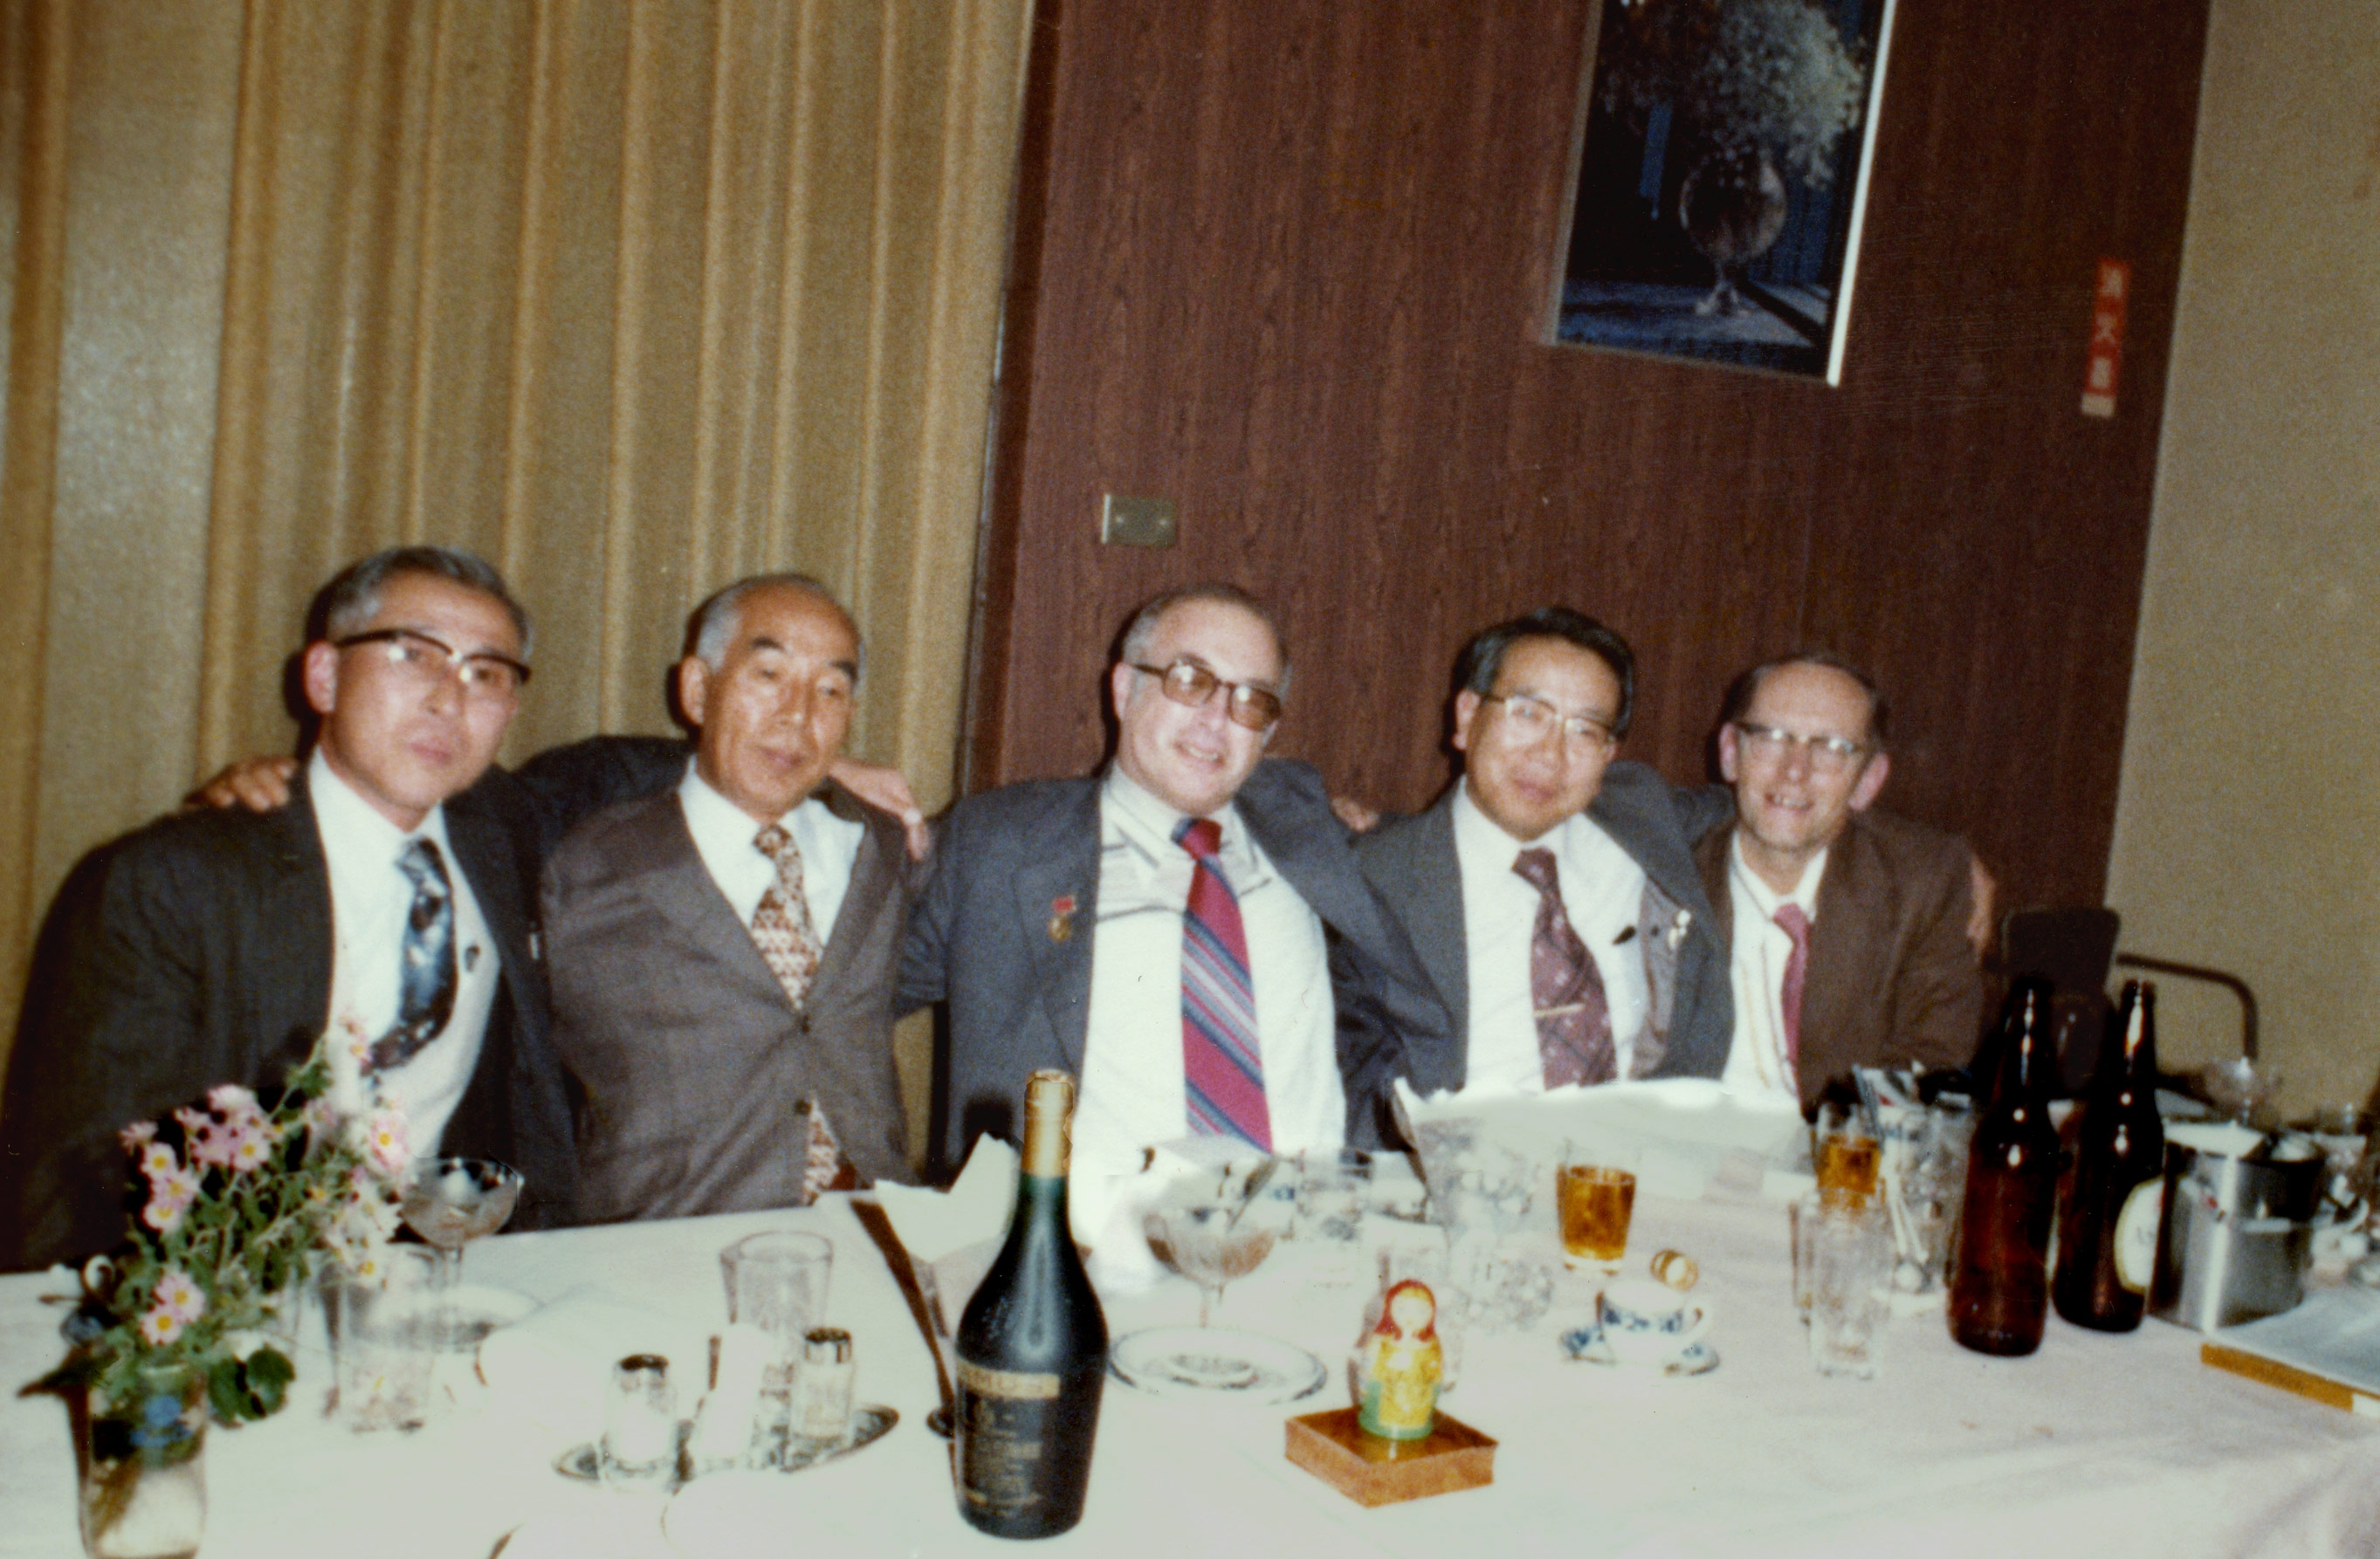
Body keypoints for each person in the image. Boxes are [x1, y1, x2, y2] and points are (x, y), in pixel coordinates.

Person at [0, 547, 573, 1272]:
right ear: (324, 676)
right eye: (412, 655)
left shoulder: (509, 833)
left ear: (510, 712)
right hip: (226, 1289)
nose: (447, 699)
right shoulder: (170, 882)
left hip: (442, 1279)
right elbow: (74, 1176)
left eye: (484, 674)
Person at [899, 583, 1453, 1235]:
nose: (1216, 719)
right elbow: (839, 981)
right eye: (1190, 681)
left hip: (1314, 1238)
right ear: (1124, 689)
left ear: (1269, 733)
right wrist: (823, 785)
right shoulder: (1001, 846)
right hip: (1091, 1248)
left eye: (1251, 700)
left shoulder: (1304, 821)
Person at [540, 576, 916, 1222]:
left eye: (830, 689)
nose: (797, 715)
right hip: (667, 1244)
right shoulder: (590, 863)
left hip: (872, 1234)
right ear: (696, 689)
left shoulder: (881, 845)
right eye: (769, 675)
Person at [1357, 608, 1734, 1091]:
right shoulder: (1373, 878)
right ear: (1467, 717)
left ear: (1608, 756)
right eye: (1528, 713)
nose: (1550, 755)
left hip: (1646, 1132)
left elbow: (1760, 800)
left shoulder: (1642, 812)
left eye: (1585, 730)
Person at [1697, 652, 1984, 1110]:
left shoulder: (1922, 881)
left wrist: (1833, 1138)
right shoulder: (1671, 869)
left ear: (1868, 781)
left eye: (1832, 748)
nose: (1795, 770)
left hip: (1848, 1143)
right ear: (1731, 752)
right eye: (1771, 737)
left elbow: (1935, 1056)